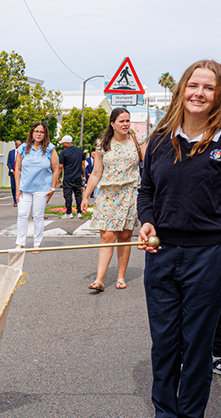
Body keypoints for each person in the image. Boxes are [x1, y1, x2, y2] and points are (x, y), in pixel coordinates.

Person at [137, 59, 221, 418]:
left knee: (197, 341)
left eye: (209, 87)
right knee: (164, 339)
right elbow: (146, 191)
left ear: (220, 94)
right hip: (162, 252)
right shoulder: (158, 139)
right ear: (181, 90)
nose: (199, 94)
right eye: (193, 85)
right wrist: (147, 220)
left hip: (210, 256)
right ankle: (164, 413)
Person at [81, 108, 142, 291]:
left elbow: (151, 164)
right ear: (112, 123)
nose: (125, 124)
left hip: (129, 194)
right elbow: (96, 173)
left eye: (127, 121)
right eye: (121, 121)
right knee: (107, 236)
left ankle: (121, 276)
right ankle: (99, 279)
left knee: (124, 236)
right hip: (107, 195)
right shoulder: (102, 145)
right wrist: (85, 196)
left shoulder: (137, 141)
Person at [14, 122, 60, 251]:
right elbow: (17, 169)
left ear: (45, 134)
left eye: (41, 132)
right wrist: (17, 189)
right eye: (36, 131)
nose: (39, 134)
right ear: (32, 133)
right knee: (22, 215)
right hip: (25, 189)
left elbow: (56, 169)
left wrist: (52, 188)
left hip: (42, 189)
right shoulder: (23, 148)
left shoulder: (50, 149)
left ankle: (37, 244)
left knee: (38, 216)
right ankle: (20, 242)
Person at [58, 135, 85, 219]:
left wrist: (57, 177)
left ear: (67, 143)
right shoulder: (80, 151)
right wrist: (83, 175)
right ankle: (79, 212)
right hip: (78, 177)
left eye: (63, 143)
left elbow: (60, 166)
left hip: (68, 177)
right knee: (78, 195)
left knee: (68, 195)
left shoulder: (63, 153)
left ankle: (69, 212)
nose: (62, 145)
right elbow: (83, 164)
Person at [7, 140, 21, 206]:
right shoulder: (11, 152)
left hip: (20, 173)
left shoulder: (23, 153)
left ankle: (18, 201)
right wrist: (12, 170)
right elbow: (8, 162)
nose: (20, 146)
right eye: (18, 144)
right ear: (16, 145)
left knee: (19, 187)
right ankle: (15, 200)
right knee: (13, 187)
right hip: (12, 173)